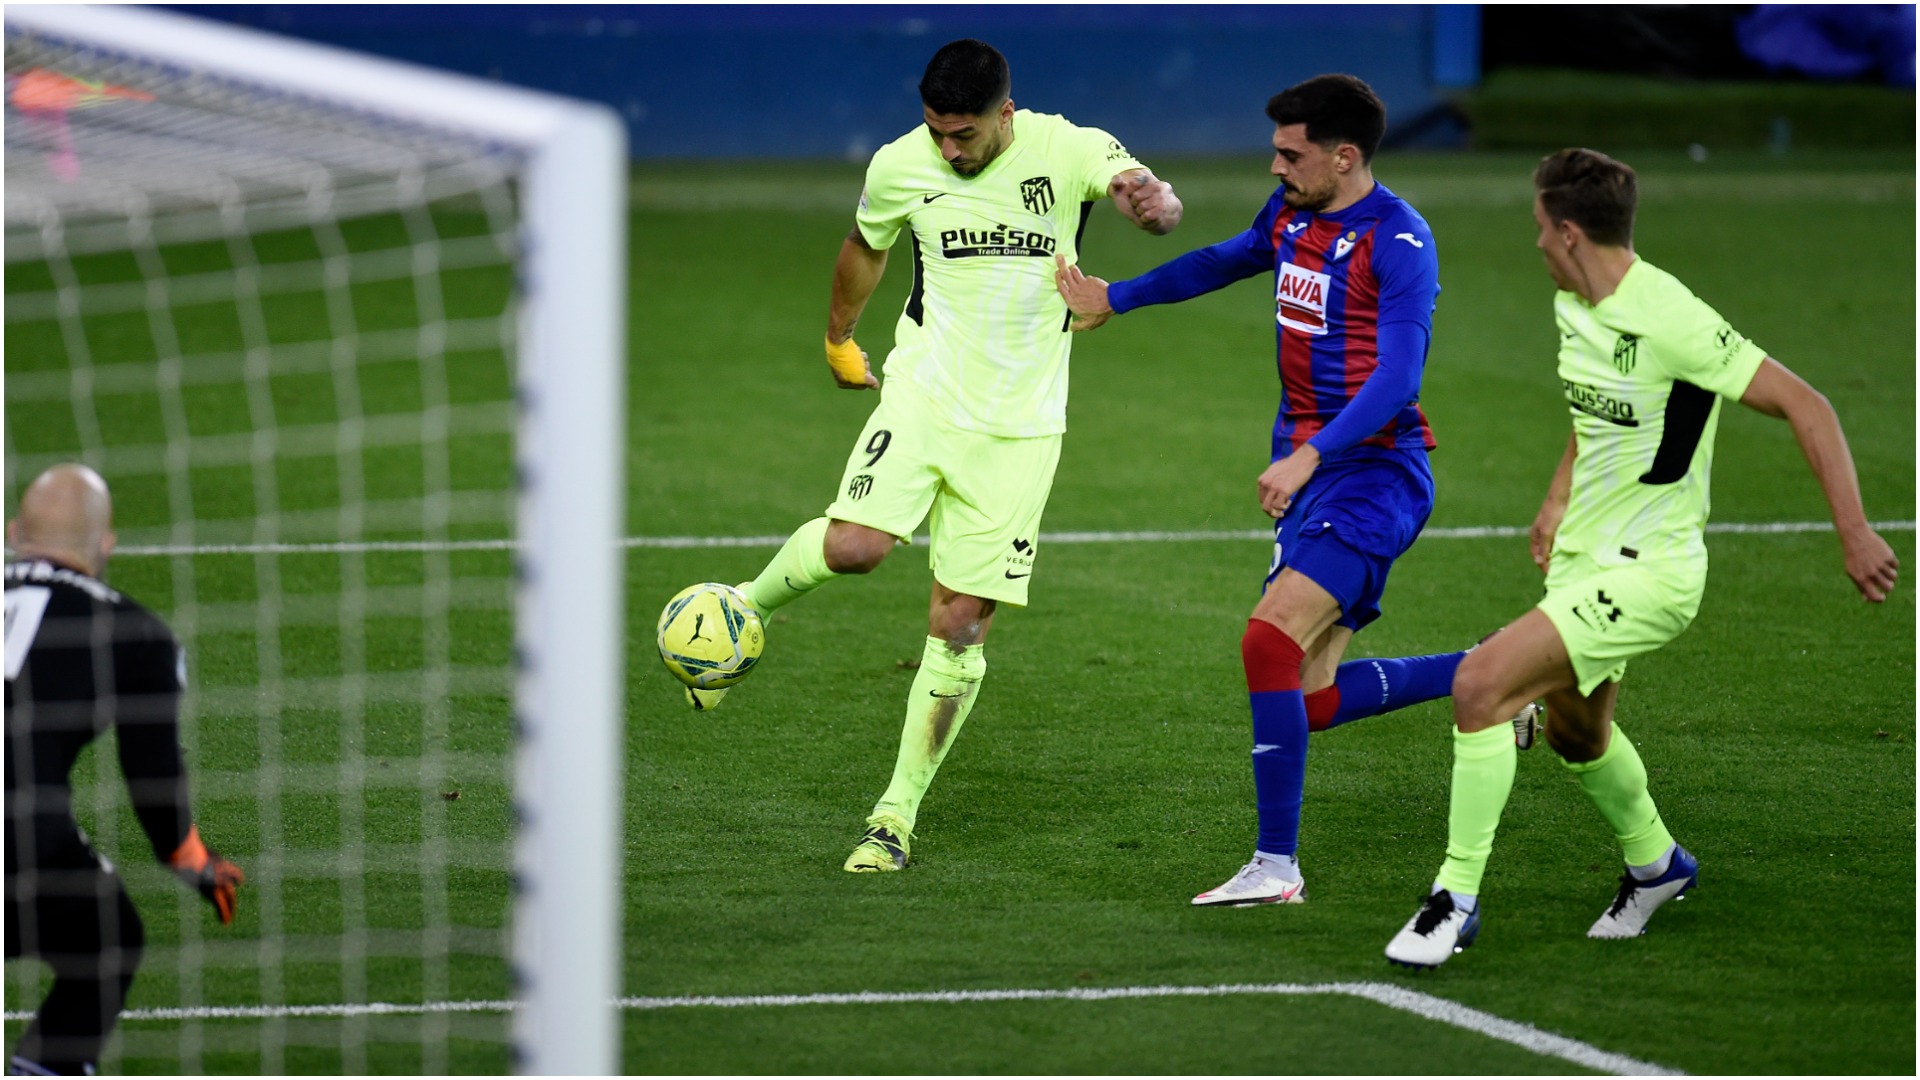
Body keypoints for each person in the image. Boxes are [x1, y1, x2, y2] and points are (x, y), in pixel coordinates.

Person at [1382, 148, 1900, 968]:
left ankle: (1455, 897)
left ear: (1571, 230)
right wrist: (1558, 495)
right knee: (1577, 738)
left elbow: (1809, 405)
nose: (1536, 243)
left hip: (1652, 572)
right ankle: (1657, 865)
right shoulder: (1573, 304)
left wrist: (1856, 531)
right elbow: (1601, 415)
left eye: (1540, 228)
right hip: (1585, 557)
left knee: (1482, 684)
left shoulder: (1673, 317)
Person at [686, 39, 1184, 872]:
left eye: (964, 134)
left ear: (1005, 114)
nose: (949, 150)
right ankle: (745, 609)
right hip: (924, 393)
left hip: (1022, 426)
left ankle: (894, 817)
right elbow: (866, 244)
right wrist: (839, 338)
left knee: (959, 622)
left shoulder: (1069, 147)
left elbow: (1149, 195)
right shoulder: (899, 165)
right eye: (937, 132)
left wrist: (1149, 206)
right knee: (855, 547)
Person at [1057, 74, 1534, 908]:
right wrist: (1116, 298)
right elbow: (1225, 259)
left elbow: (1398, 378)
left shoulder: (1398, 241)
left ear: (1344, 156)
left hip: (1375, 475)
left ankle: (1275, 867)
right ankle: (1500, 672)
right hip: (1313, 472)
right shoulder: (1289, 215)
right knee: (1306, 697)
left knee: (1266, 645)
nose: (1275, 166)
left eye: (1291, 152)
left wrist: (1310, 455)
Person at [5, 464, 244, 1075]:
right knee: (108, 937)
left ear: (12, 534)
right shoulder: (136, 635)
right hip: (19, 838)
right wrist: (191, 860)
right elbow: (153, 778)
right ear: (106, 544)